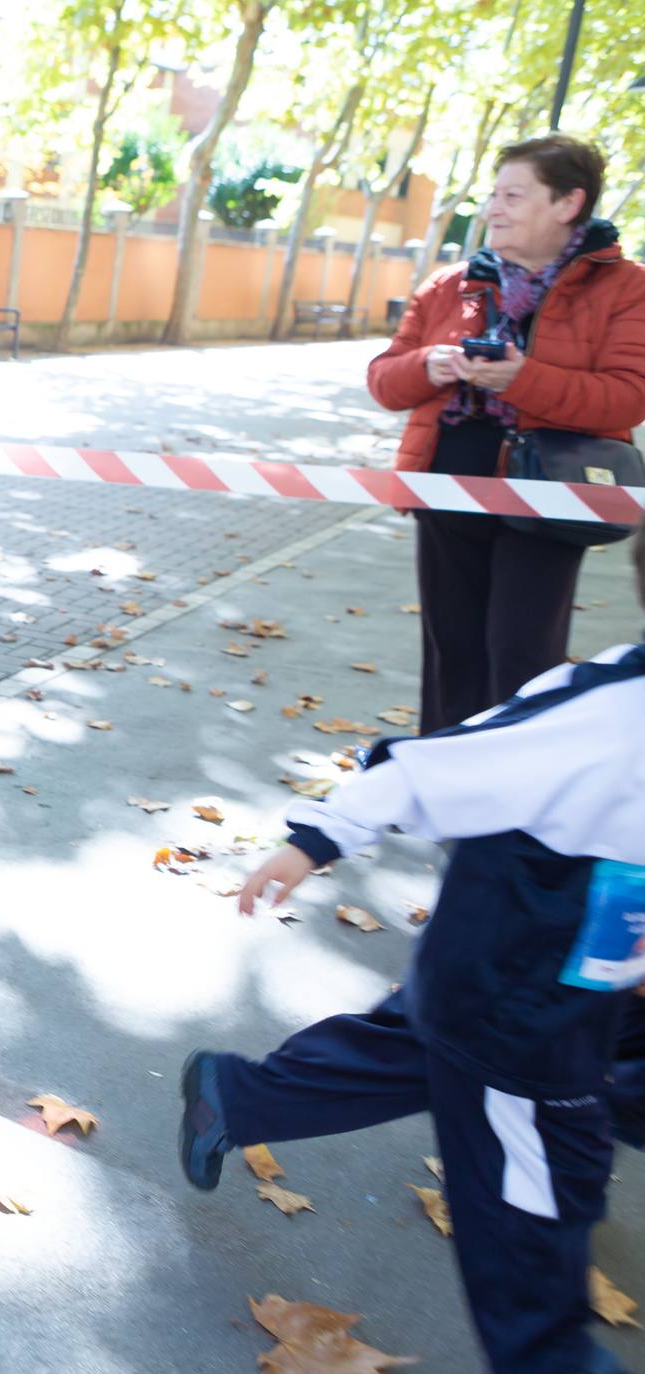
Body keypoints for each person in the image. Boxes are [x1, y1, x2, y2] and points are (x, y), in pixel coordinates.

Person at [180, 532, 645, 1374]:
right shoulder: (607, 714)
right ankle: (549, 1356)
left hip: (556, 978)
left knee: (414, 1051)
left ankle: (235, 1099)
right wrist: (315, 839)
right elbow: (436, 764)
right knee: (534, 1204)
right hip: (522, 1005)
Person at [369, 133, 645, 734]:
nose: (494, 207)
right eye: (494, 193)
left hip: (552, 492)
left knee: (522, 657)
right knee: (451, 650)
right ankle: (443, 790)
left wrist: (520, 379)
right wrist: (428, 366)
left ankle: (509, 801)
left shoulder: (627, 287)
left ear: (567, 204)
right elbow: (384, 382)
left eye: (513, 195)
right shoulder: (449, 285)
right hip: (447, 484)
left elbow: (628, 395)